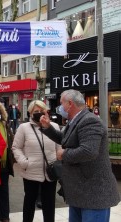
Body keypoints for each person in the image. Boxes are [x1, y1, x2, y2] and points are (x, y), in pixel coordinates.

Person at [40, 89, 120, 222]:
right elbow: (65, 139)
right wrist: (48, 127)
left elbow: (89, 151)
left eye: (61, 103)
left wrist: (64, 154)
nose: (59, 108)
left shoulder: (89, 121)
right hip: (80, 193)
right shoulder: (75, 120)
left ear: (70, 104)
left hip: (93, 194)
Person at [11, 100, 62, 222]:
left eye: (42, 111)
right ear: (30, 113)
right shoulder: (24, 128)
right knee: (29, 201)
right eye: (36, 111)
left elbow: (59, 146)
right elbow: (16, 147)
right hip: (31, 171)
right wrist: (24, 162)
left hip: (50, 172)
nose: (39, 113)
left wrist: (58, 158)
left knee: (49, 203)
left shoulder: (54, 126)